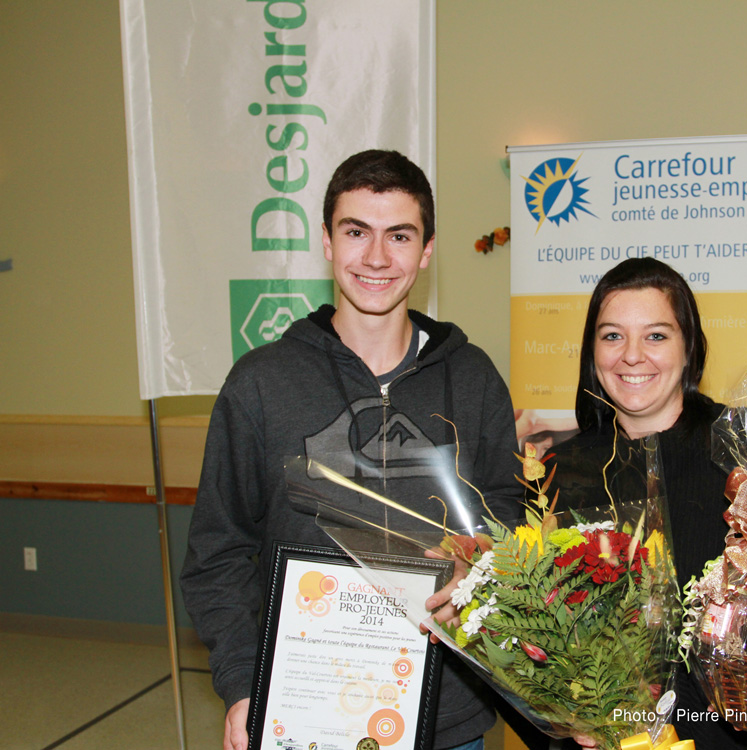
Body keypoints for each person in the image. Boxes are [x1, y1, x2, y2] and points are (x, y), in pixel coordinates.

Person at [180, 149, 522, 750]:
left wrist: (478, 569)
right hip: (304, 702)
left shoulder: (473, 378)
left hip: (448, 715)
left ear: (427, 250)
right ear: (327, 241)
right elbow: (218, 553)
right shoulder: (260, 383)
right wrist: (240, 685)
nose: (377, 257)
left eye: (400, 236)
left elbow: (509, 517)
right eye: (356, 232)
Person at [517, 257, 747, 750]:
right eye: (612, 336)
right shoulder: (559, 472)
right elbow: (527, 634)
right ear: (592, 351)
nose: (632, 356)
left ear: (689, 346)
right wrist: (566, 717)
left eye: (656, 335)